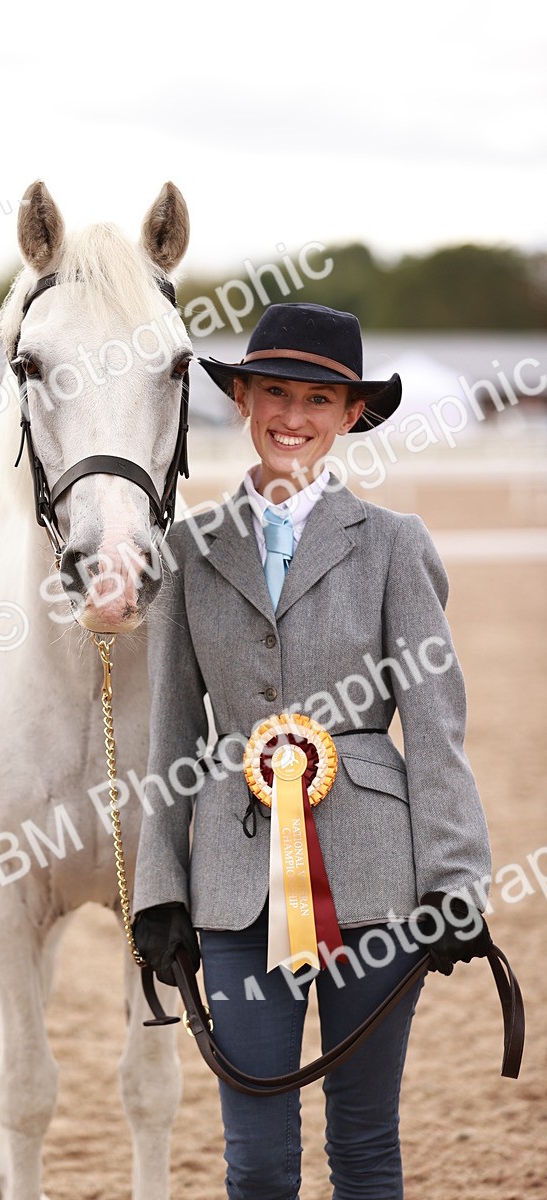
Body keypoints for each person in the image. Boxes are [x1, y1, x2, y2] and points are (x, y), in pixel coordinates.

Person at [132, 302, 493, 1200]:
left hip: (377, 881)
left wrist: (456, 880)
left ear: (350, 416)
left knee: (365, 1144)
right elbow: (170, 733)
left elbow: (436, 723)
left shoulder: (395, 546)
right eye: (276, 394)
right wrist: (159, 889)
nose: (294, 417)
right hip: (232, 879)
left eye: (320, 401)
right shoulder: (189, 550)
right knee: (255, 1156)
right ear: (244, 399)